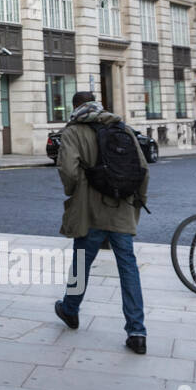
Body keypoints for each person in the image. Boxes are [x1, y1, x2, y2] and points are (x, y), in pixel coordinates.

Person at [53, 92, 151, 354]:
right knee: (128, 268)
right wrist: (138, 200)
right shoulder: (122, 127)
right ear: (98, 104)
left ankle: (70, 310)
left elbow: (69, 171)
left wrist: (75, 191)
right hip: (121, 208)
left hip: (90, 209)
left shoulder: (73, 131)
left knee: (82, 263)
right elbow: (143, 169)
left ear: (75, 107)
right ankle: (137, 331)